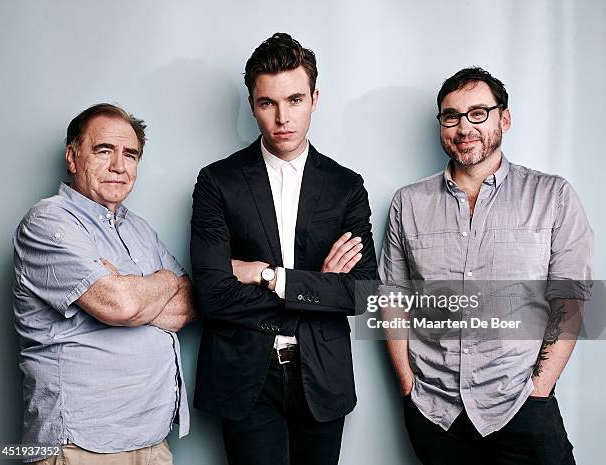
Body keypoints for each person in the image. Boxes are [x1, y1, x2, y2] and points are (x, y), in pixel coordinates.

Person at [379, 67, 593, 465]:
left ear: (504, 119)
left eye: (478, 113)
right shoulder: (407, 202)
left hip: (521, 406)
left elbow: (571, 301)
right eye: (451, 116)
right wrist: (408, 387)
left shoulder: (553, 196)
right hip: (435, 413)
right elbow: (393, 299)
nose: (464, 127)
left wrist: (539, 389)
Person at [191, 33, 377, 465]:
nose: (282, 118)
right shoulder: (217, 182)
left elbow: (362, 292)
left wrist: (269, 276)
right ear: (252, 103)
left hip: (322, 375)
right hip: (242, 376)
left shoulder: (345, 186)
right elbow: (213, 294)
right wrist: (320, 291)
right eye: (267, 103)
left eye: (294, 100)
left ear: (315, 98)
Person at [12, 103, 194, 464]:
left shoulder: (139, 229)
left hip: (152, 440)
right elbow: (120, 305)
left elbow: (190, 305)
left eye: (130, 154)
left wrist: (135, 290)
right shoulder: (48, 222)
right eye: (103, 150)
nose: (118, 166)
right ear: (73, 156)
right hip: (81, 446)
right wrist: (163, 281)